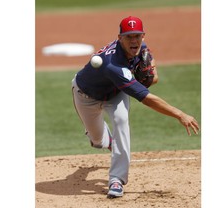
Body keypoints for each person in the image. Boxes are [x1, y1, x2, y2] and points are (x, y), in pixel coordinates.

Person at [71, 16, 200, 198]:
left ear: (143, 36)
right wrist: (180, 114)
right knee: (98, 141)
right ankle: (104, 139)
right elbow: (147, 99)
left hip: (115, 93)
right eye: (129, 36)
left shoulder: (141, 47)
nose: (134, 41)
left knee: (122, 121)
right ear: (119, 38)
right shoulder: (112, 65)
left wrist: (151, 75)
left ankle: (116, 179)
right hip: (86, 97)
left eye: (137, 36)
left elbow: (152, 72)